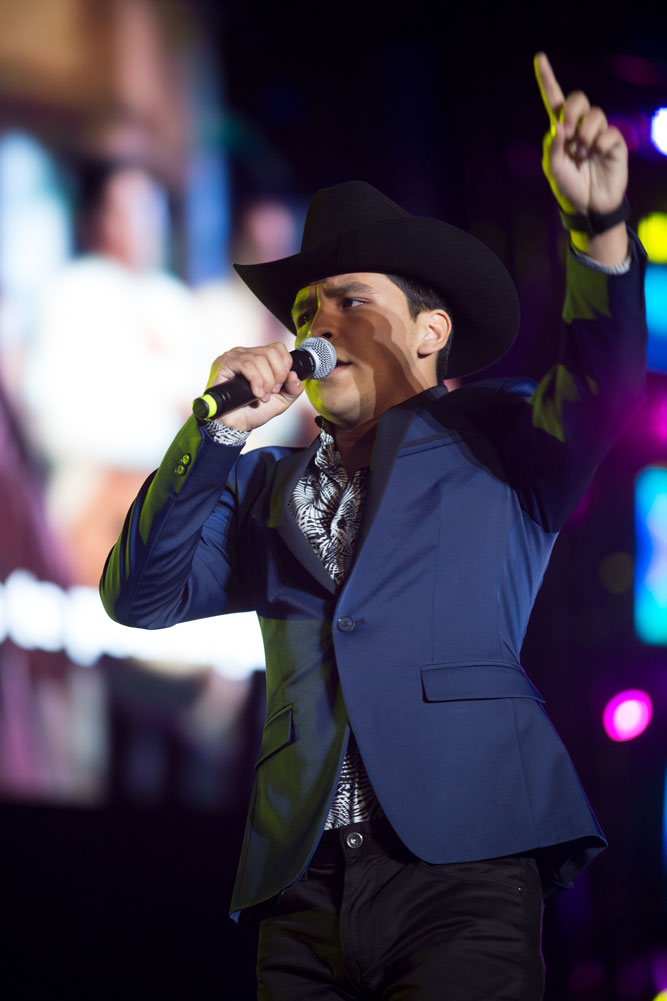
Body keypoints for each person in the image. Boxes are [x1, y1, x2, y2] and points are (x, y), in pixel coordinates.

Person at [100, 54, 647, 1000]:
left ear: (429, 332)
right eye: (306, 307)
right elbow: (138, 596)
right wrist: (214, 434)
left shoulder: (499, 435)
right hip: (301, 885)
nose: (319, 323)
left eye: (350, 299)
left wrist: (596, 229)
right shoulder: (259, 485)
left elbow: (604, 385)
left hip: (463, 864)